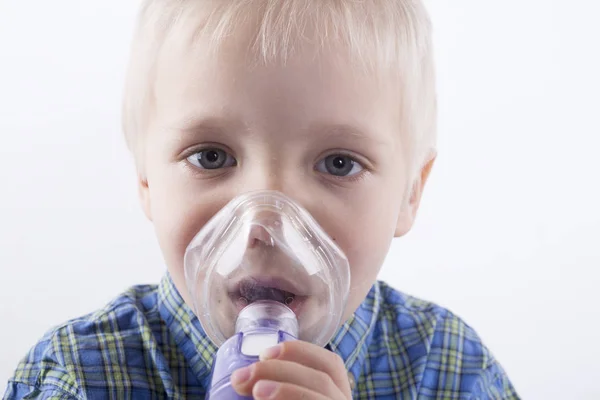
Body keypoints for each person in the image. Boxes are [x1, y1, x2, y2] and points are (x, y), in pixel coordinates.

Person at [4, 1, 520, 399]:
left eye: (338, 163)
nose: (267, 224)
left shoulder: (451, 369)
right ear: (145, 181)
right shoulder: (75, 376)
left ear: (411, 192)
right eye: (211, 156)